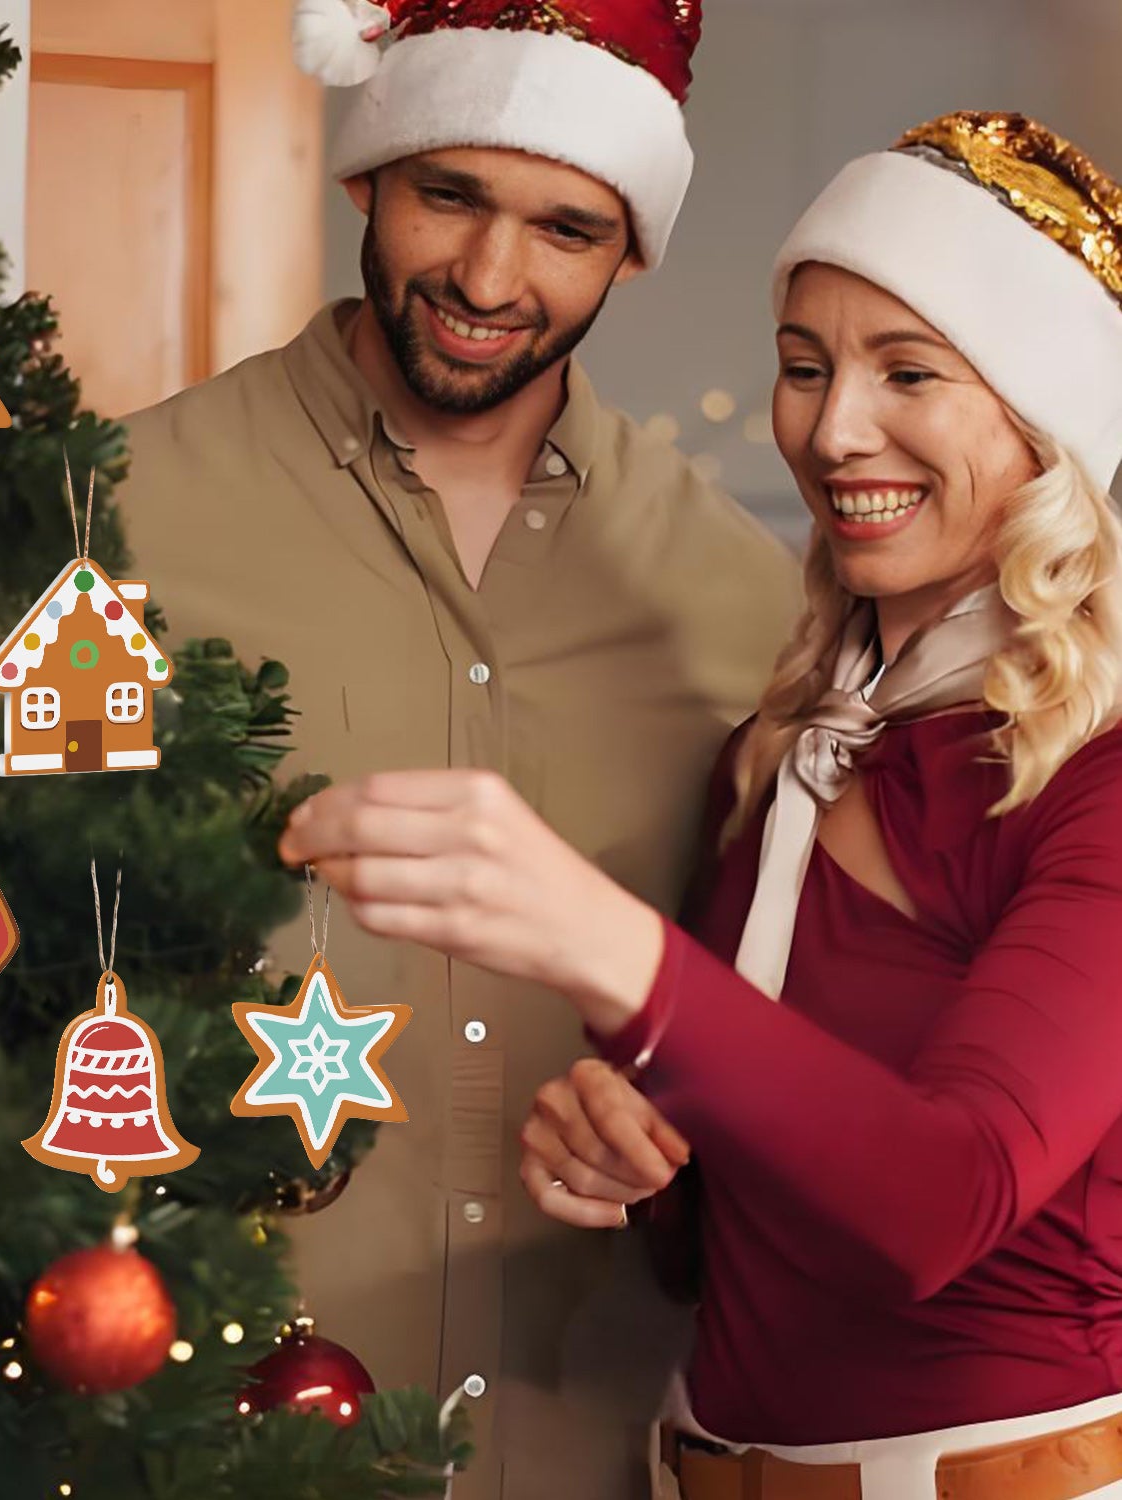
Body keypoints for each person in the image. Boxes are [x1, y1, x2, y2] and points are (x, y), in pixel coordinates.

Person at [279, 109, 1122, 1500]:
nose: (832, 427)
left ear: (1047, 423)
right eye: (804, 367)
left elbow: (939, 1202)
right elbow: (753, 1226)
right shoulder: (790, 750)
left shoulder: (1095, 775)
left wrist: (603, 945)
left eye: (908, 371)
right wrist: (641, 1162)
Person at [118, 1, 799, 1494]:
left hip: (602, 1436)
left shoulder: (747, 605)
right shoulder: (116, 517)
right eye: (451, 196)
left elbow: (795, 1033)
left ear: (629, 248)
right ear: (367, 175)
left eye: (565, 227)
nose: (492, 279)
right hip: (200, 1426)